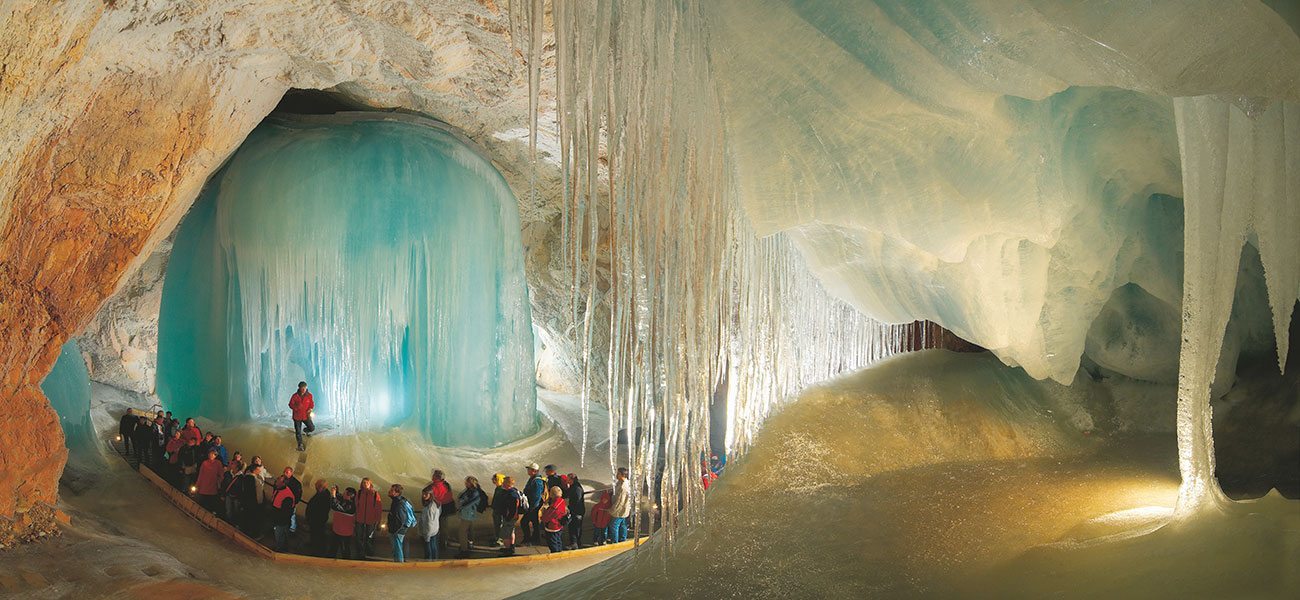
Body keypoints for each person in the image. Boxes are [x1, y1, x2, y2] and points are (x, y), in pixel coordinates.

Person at [422, 469, 455, 552]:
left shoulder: (432, 486)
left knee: (434, 526)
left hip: (438, 507)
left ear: (435, 477)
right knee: (443, 526)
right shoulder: (446, 484)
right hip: (447, 507)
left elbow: (428, 495)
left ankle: (437, 544)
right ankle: (443, 543)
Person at [455, 476, 486, 558]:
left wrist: (460, 506)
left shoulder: (475, 492)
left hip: (468, 514)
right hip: (469, 514)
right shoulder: (470, 491)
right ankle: (468, 545)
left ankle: (464, 550)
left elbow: (468, 503)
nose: (465, 483)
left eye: (467, 482)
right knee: (469, 530)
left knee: (462, 532)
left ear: (471, 483)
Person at [491, 476, 523, 556]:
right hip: (513, 517)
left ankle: (508, 550)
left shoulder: (511, 494)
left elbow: (513, 508)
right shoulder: (515, 491)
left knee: (506, 533)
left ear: (508, 484)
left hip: (510, 517)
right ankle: (511, 547)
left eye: (504, 483)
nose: (502, 484)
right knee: (511, 531)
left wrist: (508, 517)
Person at [353, 477, 383, 558]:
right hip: (359, 519)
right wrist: (354, 519)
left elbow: (378, 508)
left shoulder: (375, 494)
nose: (365, 484)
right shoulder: (358, 493)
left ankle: (369, 553)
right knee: (358, 537)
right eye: (364, 483)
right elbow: (355, 507)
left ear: (370, 484)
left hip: (371, 520)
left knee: (369, 537)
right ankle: (360, 552)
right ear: (361, 484)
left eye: (367, 483)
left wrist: (378, 521)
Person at [387, 484, 416, 563]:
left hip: (398, 530)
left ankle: (399, 565)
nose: (389, 491)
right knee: (398, 548)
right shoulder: (398, 501)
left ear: (396, 493)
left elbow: (400, 520)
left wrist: (394, 530)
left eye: (392, 490)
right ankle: (399, 562)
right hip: (400, 529)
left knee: (397, 548)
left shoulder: (398, 504)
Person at [306, 479, 333, 556]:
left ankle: (318, 551)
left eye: (317, 485)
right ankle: (315, 546)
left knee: (318, 535)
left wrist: (312, 518)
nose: (315, 486)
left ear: (321, 487)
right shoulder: (321, 493)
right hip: (315, 519)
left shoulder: (324, 496)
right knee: (315, 534)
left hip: (318, 520)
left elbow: (321, 510)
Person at [237, 464, 265, 534]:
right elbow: (252, 492)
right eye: (258, 470)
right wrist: (257, 502)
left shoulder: (248, 477)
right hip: (252, 503)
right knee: (250, 518)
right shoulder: (251, 479)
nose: (260, 471)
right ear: (255, 470)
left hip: (249, 502)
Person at [521, 463, 545, 545]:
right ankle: (534, 539)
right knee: (534, 523)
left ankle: (529, 539)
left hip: (533, 506)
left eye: (529, 469)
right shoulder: (533, 479)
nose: (528, 471)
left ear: (534, 471)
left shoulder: (537, 481)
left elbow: (536, 496)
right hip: (533, 506)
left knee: (524, 522)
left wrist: (532, 508)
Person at [331, 486, 357, 559]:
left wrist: (333, 496)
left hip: (344, 532)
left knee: (344, 549)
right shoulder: (347, 501)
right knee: (334, 547)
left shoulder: (350, 506)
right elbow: (340, 497)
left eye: (345, 493)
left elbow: (335, 506)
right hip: (338, 530)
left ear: (349, 495)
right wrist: (337, 491)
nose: (343, 494)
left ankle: (346, 562)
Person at [271, 476, 296, 552]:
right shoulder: (278, 489)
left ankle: (280, 550)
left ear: (283, 483)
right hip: (277, 517)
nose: (276, 480)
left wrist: (278, 521)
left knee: (280, 535)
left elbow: (286, 512)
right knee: (279, 535)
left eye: (279, 480)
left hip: (281, 520)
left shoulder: (287, 495)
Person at [195, 448, 225, 514]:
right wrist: (197, 485)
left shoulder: (218, 463)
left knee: (210, 504)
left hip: (212, 487)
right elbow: (200, 475)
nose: (211, 455)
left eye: (213, 454)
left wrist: (219, 481)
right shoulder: (204, 463)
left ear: (216, 455)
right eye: (210, 454)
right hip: (203, 487)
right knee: (202, 503)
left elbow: (221, 475)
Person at [540, 485, 568, 553]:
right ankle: (559, 551)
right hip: (559, 525)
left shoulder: (553, 507)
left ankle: (555, 553)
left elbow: (545, 518)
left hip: (552, 527)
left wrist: (543, 512)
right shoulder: (562, 501)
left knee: (552, 543)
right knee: (558, 540)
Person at [288, 381, 315, 451]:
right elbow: (290, 404)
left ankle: (305, 430)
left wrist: (310, 409)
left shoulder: (309, 395)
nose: (303, 389)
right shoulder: (295, 396)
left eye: (305, 388)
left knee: (312, 428)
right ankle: (300, 445)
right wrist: (296, 407)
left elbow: (311, 404)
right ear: (299, 388)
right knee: (298, 432)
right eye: (302, 388)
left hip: (306, 416)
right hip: (297, 417)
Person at [609, 467, 632, 543]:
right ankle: (623, 539)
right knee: (623, 525)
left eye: (618, 473)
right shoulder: (622, 482)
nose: (616, 475)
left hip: (620, 510)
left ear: (622, 475)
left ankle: (615, 541)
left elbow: (620, 501)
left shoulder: (623, 486)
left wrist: (612, 510)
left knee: (614, 525)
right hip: (624, 509)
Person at [418, 485, 441, 560]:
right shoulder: (435, 504)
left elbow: (429, 522)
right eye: (423, 494)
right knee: (433, 545)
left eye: (426, 494)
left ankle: (429, 561)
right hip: (434, 529)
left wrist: (426, 534)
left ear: (431, 495)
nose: (423, 496)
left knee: (428, 546)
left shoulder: (430, 508)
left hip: (429, 531)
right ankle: (434, 560)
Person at [564, 474, 586, 549]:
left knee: (574, 527)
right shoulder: (574, 486)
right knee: (574, 527)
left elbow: (577, 501)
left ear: (571, 480)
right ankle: (576, 542)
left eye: (568, 479)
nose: (566, 480)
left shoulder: (577, 489)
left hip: (577, 512)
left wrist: (571, 509)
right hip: (576, 511)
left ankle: (574, 543)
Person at [282, 467, 303, 533]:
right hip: (282, 502)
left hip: (291, 503)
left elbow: (298, 494)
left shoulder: (296, 483)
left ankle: (292, 529)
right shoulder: (282, 479)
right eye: (285, 472)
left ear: (291, 473)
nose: (285, 474)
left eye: (287, 472)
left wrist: (294, 502)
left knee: (292, 516)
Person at [489, 473, 506, 546]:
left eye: (495, 479)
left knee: (500, 525)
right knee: (497, 524)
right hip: (496, 510)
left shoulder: (502, 489)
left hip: (499, 511)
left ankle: (500, 540)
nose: (493, 480)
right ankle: (497, 537)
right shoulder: (499, 488)